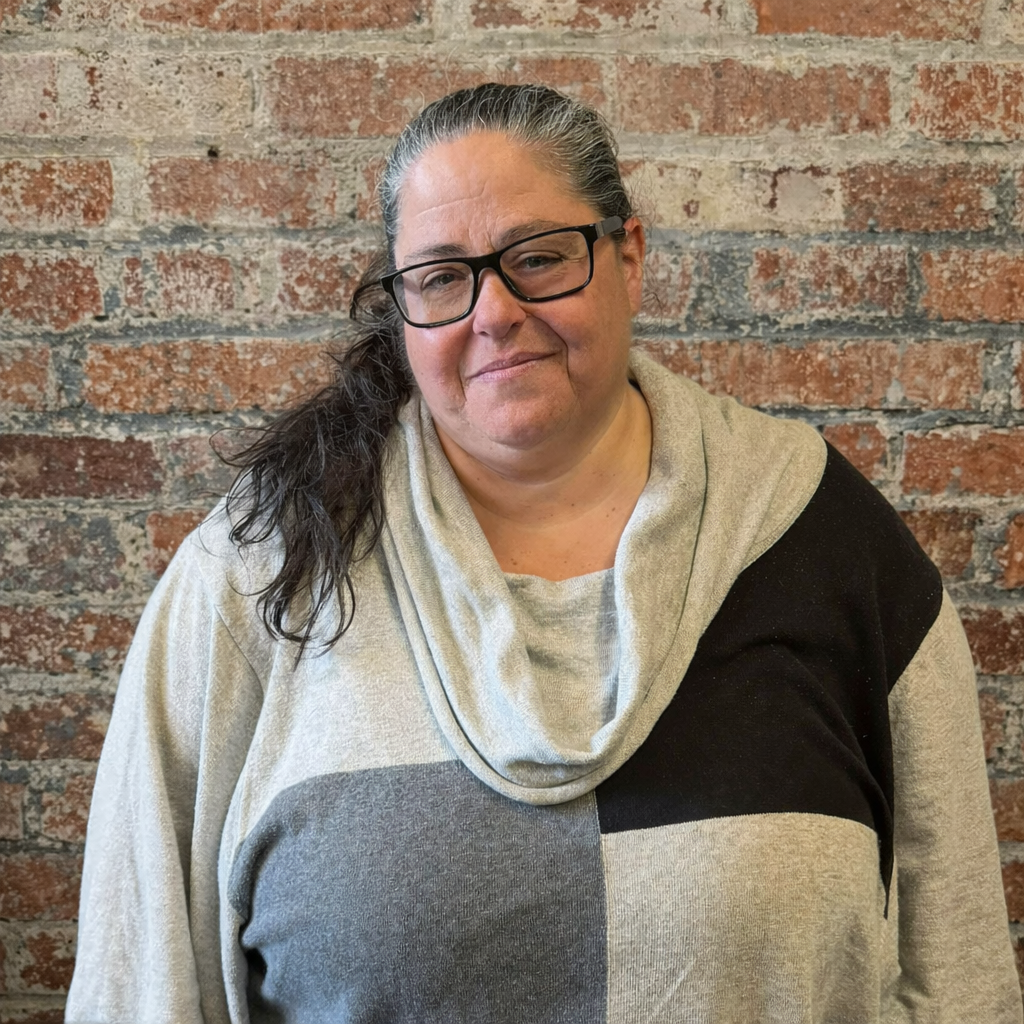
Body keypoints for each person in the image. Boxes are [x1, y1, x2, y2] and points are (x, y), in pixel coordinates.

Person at [66, 83, 1021, 1023]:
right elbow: (138, 979)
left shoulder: (825, 540)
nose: (494, 313)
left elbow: (959, 975)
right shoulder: (260, 570)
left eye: (539, 256)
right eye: (442, 277)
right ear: (403, 308)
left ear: (629, 255)